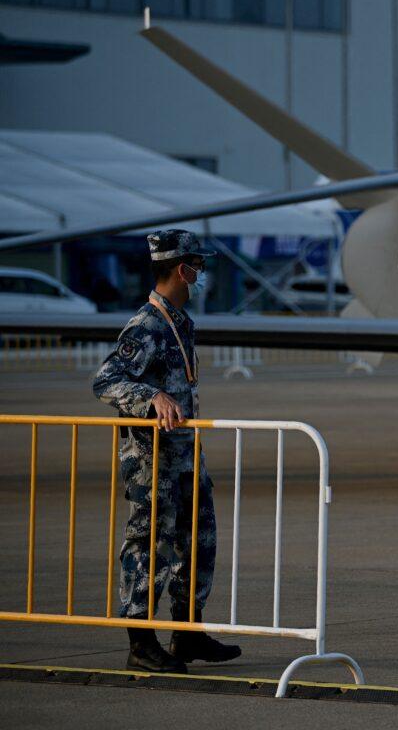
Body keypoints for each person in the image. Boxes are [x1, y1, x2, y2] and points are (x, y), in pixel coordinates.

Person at [93, 229, 241, 672]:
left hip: (183, 457)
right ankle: (141, 643)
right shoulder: (148, 325)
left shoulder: (180, 322)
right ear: (183, 269)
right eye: (199, 266)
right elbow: (105, 380)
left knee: (198, 543)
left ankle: (187, 633)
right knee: (149, 544)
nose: (201, 274)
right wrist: (150, 398)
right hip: (151, 462)